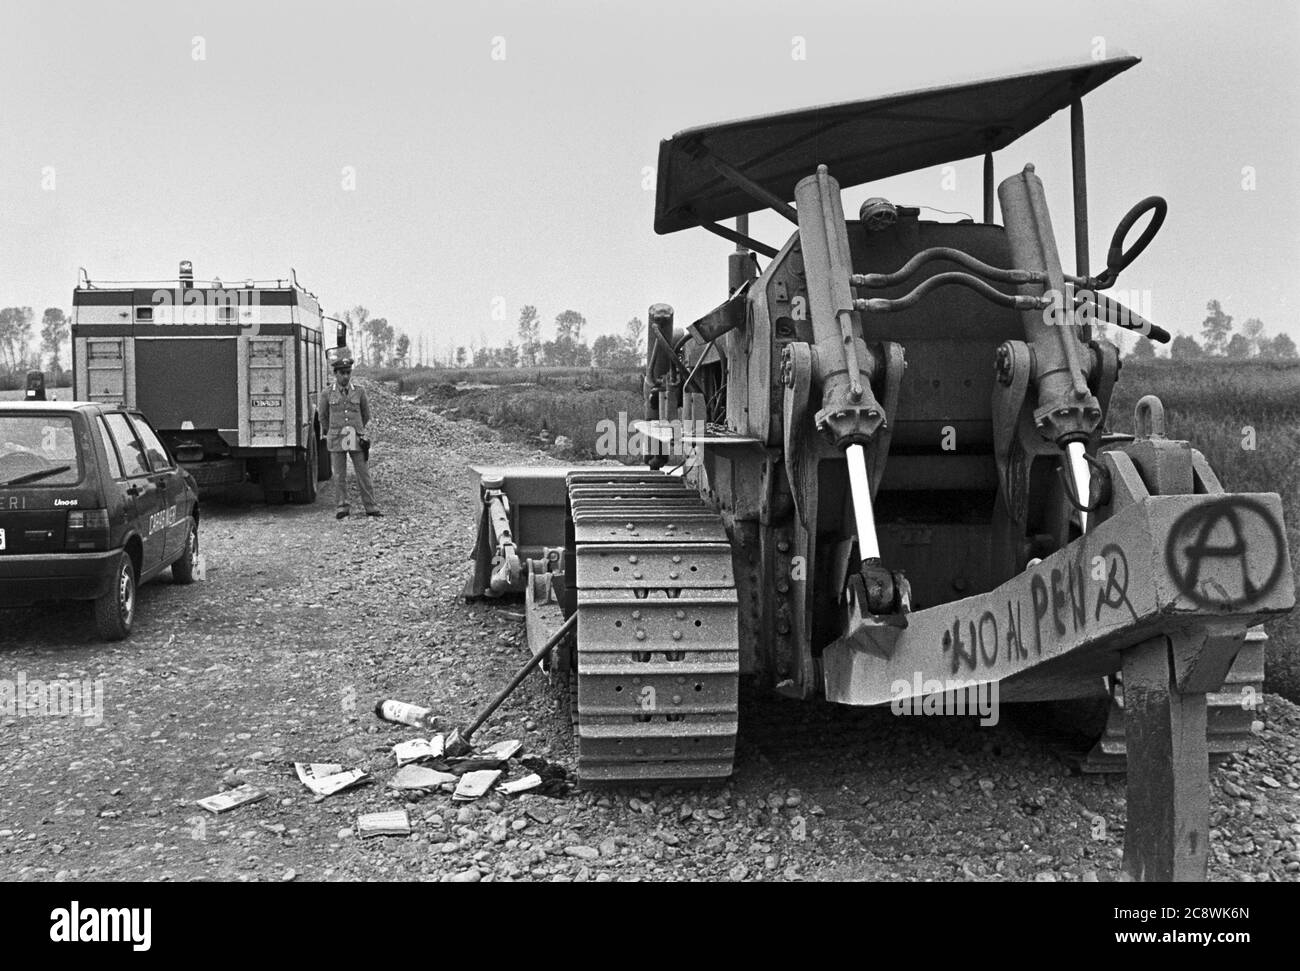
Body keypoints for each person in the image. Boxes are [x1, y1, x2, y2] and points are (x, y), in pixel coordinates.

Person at [318, 351, 382, 519]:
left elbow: (365, 414)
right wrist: (332, 430)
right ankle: (342, 507)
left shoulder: (359, 392)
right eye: (342, 373)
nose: (345, 377)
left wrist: (358, 430)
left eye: (348, 373)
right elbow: (322, 416)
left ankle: (371, 506)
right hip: (337, 438)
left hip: (356, 438)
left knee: (363, 473)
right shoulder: (327, 393)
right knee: (339, 475)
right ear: (336, 374)